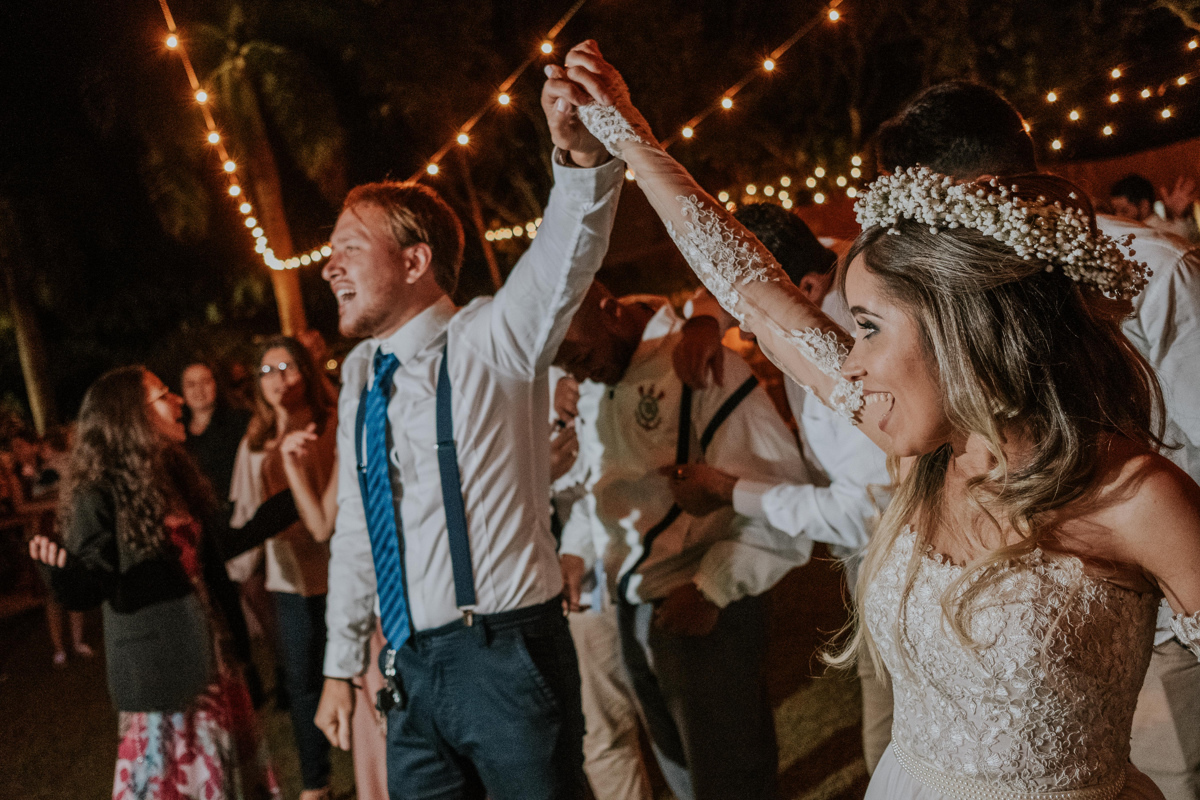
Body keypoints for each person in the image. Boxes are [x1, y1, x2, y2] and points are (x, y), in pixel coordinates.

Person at [563, 44, 1200, 800]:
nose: (848, 364)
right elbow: (754, 290)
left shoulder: (1137, 497)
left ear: (961, 332)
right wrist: (625, 131)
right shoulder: (925, 455)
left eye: (865, 327)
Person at [875, 80, 1200, 800]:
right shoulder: (949, 396)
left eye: (930, 214)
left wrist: (1158, 559)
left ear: (982, 188)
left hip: (1152, 632)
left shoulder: (1157, 272)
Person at [313, 50, 622, 800]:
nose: (329, 267)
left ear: (416, 259)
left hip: (507, 654)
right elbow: (358, 528)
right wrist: (337, 664)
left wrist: (579, 155)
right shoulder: (360, 377)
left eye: (349, 248)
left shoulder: (492, 340)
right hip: (409, 669)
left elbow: (564, 255)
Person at [554, 281, 812, 799]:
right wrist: (576, 550)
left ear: (610, 310)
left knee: (731, 779)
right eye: (570, 366)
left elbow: (776, 493)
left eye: (582, 356)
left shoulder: (699, 362)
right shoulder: (598, 377)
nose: (580, 373)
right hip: (636, 602)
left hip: (701, 603)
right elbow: (602, 481)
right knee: (687, 777)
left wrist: (712, 587)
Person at [671, 202, 895, 773]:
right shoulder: (825, 272)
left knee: (888, 739)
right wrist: (704, 318)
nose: (744, 328)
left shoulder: (856, 350)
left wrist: (729, 490)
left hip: (900, 565)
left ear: (807, 287)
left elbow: (862, 514)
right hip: (873, 567)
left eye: (748, 312)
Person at [28, 366, 299, 800]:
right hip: (163, 680)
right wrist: (61, 574)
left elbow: (220, 546)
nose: (177, 401)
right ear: (129, 416)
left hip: (213, 660)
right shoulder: (98, 491)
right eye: (162, 395)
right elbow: (92, 584)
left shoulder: (171, 475)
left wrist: (299, 501)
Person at [231, 335, 337, 800]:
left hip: (339, 571)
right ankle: (316, 781)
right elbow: (246, 516)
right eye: (267, 371)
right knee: (302, 683)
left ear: (306, 373)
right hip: (287, 576)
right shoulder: (253, 443)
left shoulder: (329, 424)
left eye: (287, 367)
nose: (278, 379)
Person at [278, 425, 389, 800]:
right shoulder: (358, 427)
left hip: (437, 606)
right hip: (375, 608)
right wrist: (293, 468)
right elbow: (323, 524)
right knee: (385, 736)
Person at [1110, 174, 1197, 241]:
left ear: (1144, 205)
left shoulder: (1162, 231)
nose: (1118, 216)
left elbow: (1181, 242)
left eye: (1124, 210)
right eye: (1115, 211)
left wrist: (1179, 216)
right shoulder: (1122, 234)